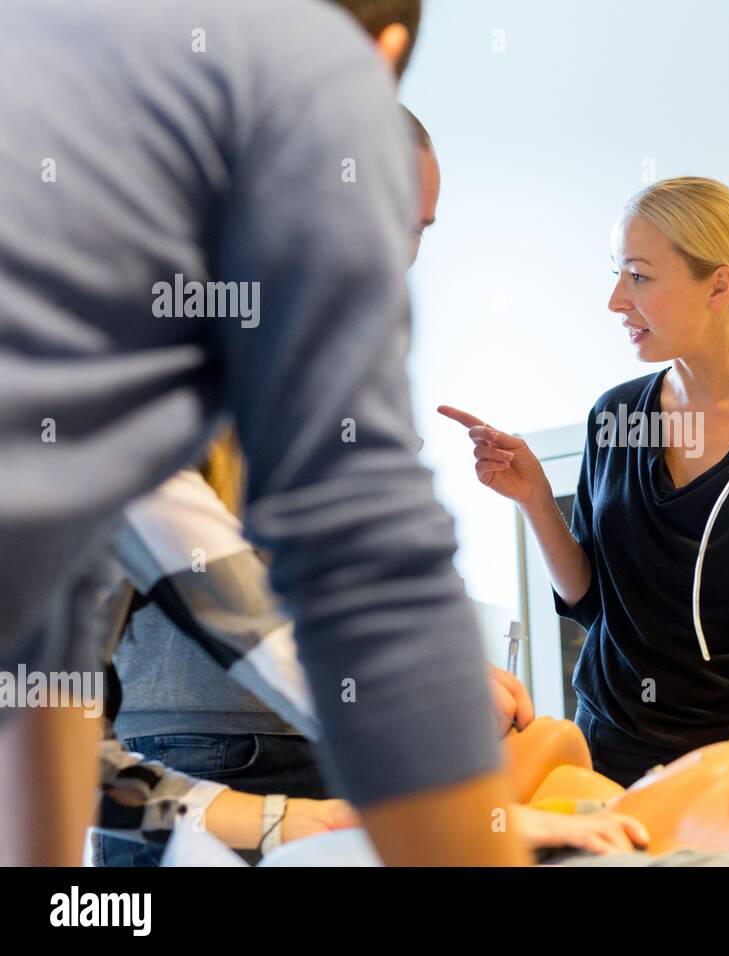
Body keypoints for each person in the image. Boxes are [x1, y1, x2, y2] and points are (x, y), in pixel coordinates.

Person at [0, 0, 523, 866]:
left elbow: (63, 664)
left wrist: (286, 820)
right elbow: (360, 559)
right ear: (376, 57)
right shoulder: (305, 75)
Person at [441, 177, 729, 785]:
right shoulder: (617, 415)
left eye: (637, 276)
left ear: (718, 284)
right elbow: (590, 601)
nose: (614, 300)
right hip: (610, 753)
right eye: (617, 273)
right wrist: (533, 499)